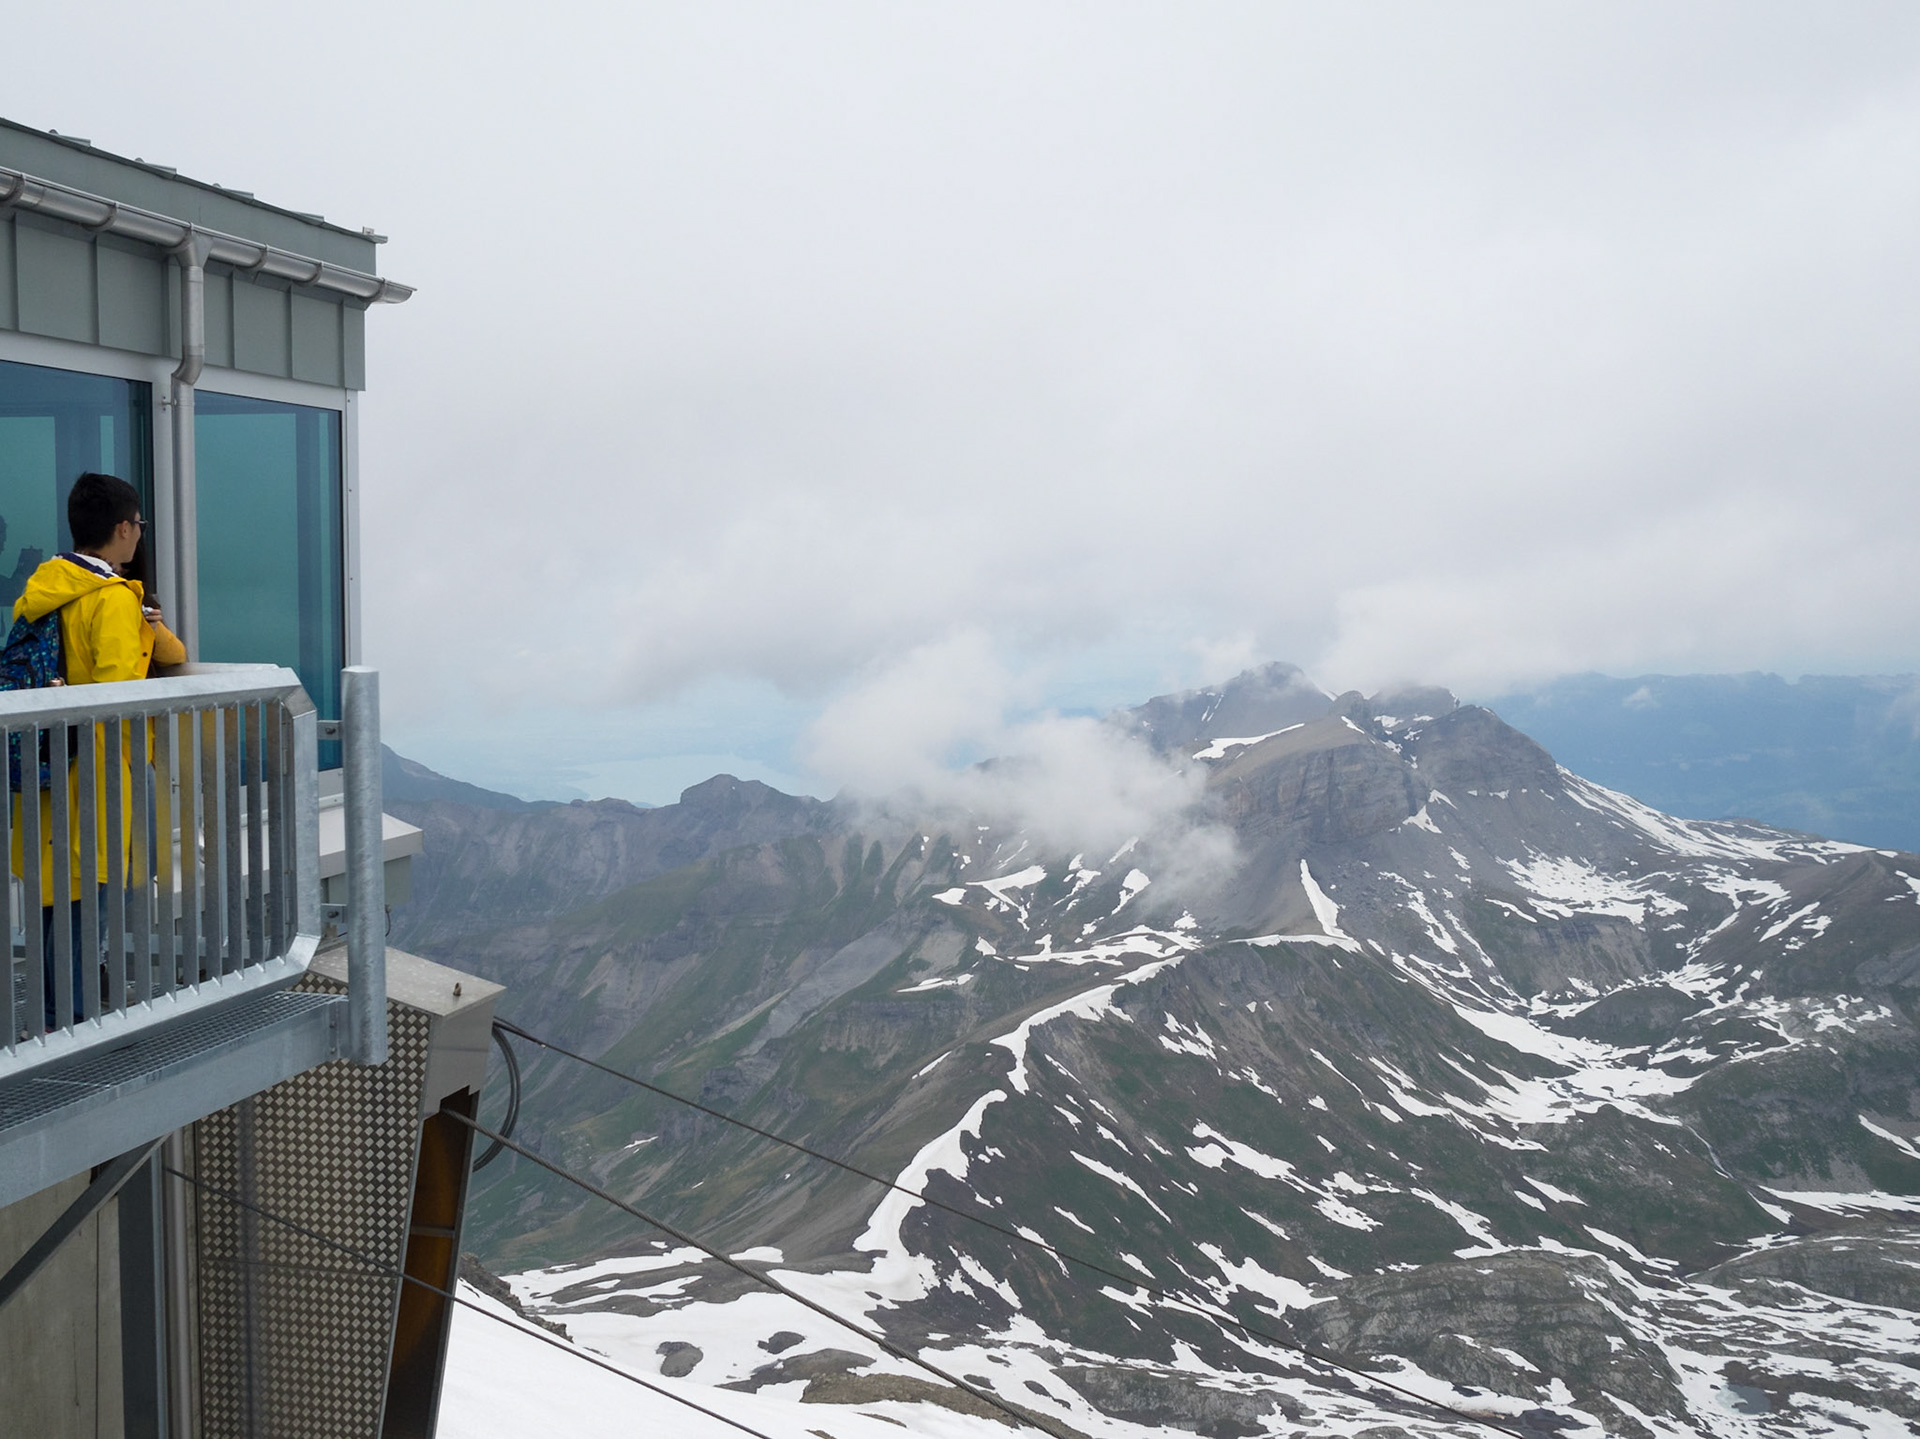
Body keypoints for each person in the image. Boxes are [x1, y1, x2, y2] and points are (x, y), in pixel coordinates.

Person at [9, 472, 185, 1032]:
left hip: (46, 768)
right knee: (87, 913)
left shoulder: (43, 589)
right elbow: (119, 694)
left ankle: (49, 1025)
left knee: (51, 909)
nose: (139, 534)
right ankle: (75, 1030)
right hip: (100, 776)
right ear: (121, 529)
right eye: (138, 524)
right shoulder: (110, 599)